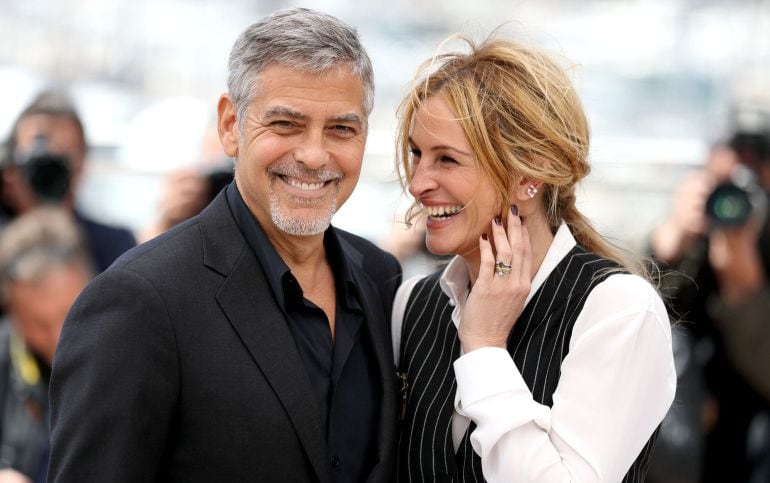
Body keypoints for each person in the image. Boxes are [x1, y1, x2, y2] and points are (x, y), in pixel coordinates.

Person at [47, 8, 402, 482]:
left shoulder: (380, 278)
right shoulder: (139, 301)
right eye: (285, 124)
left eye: (341, 128)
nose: (315, 155)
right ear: (231, 125)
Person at [391, 35, 677, 482]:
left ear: (528, 174)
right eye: (416, 153)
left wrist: (484, 347)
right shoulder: (412, 304)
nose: (418, 183)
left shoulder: (618, 311)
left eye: (446, 159)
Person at [649, 119, 770, 482]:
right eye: (725, 188)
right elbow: (634, 331)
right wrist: (667, 249)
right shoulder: (690, 242)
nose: (734, 207)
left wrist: (745, 291)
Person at [0, 207, 93, 483]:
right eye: (38, 324)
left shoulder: (129, 354)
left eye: (68, 314)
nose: (56, 338)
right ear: (12, 312)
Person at [2, 90, 136, 272]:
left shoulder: (116, 250)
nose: (49, 170)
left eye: (64, 158)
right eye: (38, 157)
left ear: (82, 165)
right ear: (12, 165)